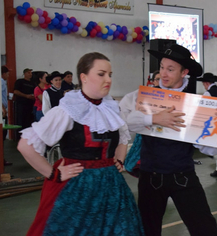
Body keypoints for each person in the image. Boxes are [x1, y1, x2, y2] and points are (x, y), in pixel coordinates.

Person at [17, 52, 144, 235]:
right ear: (84, 77)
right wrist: (53, 173)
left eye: (110, 74)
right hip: (77, 186)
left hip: (112, 187)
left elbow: (122, 138)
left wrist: (119, 159)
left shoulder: (111, 107)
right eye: (101, 74)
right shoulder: (67, 110)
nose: (108, 79)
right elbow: (25, 145)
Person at [121, 44, 217, 236]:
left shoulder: (197, 104)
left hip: (183, 176)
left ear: (185, 72)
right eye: (162, 67)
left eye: (170, 69)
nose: (164, 74)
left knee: (206, 229)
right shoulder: (143, 97)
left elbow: (208, 148)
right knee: (148, 231)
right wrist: (154, 118)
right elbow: (123, 123)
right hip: (150, 177)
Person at [13, 68, 35, 138]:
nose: (30, 74)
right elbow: (16, 91)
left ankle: (27, 136)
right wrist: (26, 96)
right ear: (25, 74)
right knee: (20, 120)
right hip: (21, 104)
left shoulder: (33, 83)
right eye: (28, 73)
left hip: (30, 104)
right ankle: (19, 136)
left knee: (29, 120)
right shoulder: (20, 81)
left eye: (31, 73)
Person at [1, 65, 12, 166]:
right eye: (7, 73)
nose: (8, 75)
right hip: (1, 111)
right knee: (1, 136)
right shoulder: (1, 82)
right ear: (3, 73)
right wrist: (3, 109)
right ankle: (1, 160)